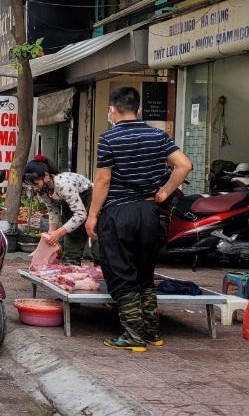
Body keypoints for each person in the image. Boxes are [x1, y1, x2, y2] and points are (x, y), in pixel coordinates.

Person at [85, 86, 192, 352]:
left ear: (112, 108)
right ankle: (153, 331)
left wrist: (92, 216)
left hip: (119, 213)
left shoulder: (108, 138)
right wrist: (166, 190)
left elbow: (103, 180)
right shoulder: (158, 136)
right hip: (149, 214)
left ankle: (133, 335)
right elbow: (184, 165)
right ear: (139, 109)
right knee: (144, 273)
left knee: (121, 273)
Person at [23, 155, 97, 266]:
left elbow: (81, 215)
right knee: (70, 253)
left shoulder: (63, 185)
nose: (34, 188)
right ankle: (72, 273)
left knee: (98, 246)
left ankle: (101, 273)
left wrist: (58, 233)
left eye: (36, 184)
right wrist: (50, 236)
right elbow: (53, 211)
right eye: (31, 185)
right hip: (70, 207)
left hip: (91, 200)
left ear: (46, 176)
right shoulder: (42, 190)